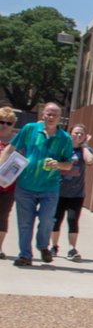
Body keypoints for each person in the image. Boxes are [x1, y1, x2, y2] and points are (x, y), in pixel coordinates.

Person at [9, 102, 76, 267]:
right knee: (25, 222)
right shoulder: (30, 129)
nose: (51, 117)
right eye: (49, 113)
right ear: (43, 114)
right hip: (25, 185)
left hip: (49, 188)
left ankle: (43, 246)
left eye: (55, 115)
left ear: (60, 118)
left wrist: (58, 164)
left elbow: (68, 164)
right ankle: (25, 255)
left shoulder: (65, 138)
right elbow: (11, 148)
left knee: (47, 220)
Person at [50, 124, 93, 260]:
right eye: (76, 133)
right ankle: (54, 246)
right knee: (56, 220)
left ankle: (72, 248)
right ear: (70, 134)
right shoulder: (63, 147)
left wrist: (84, 146)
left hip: (77, 193)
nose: (78, 136)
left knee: (72, 220)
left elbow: (90, 161)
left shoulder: (85, 150)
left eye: (81, 134)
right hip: (59, 191)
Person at [0, 106, 19, 260]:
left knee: (3, 215)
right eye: (1, 122)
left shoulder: (18, 141)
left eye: (9, 123)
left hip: (8, 185)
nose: (4, 125)